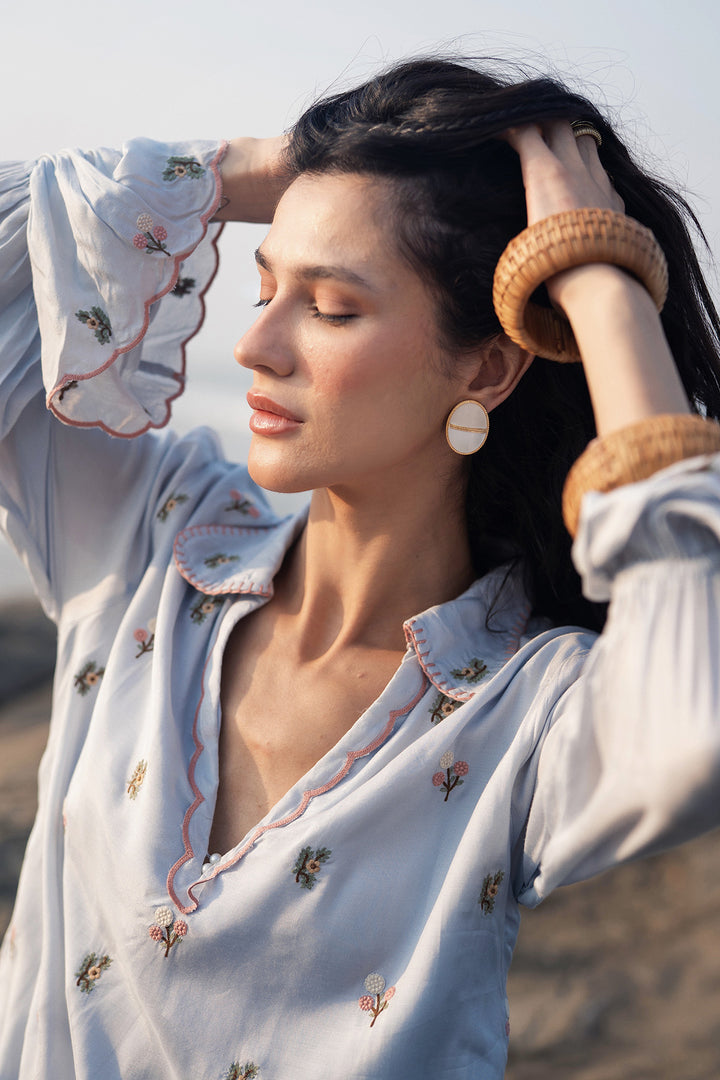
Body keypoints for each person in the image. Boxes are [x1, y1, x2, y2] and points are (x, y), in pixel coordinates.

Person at [1, 55, 719, 1079]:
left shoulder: (523, 709)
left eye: (329, 307)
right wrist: (276, 166)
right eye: (263, 284)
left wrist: (599, 279)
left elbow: (694, 723)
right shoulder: (150, 541)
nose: (254, 344)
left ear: (486, 367)